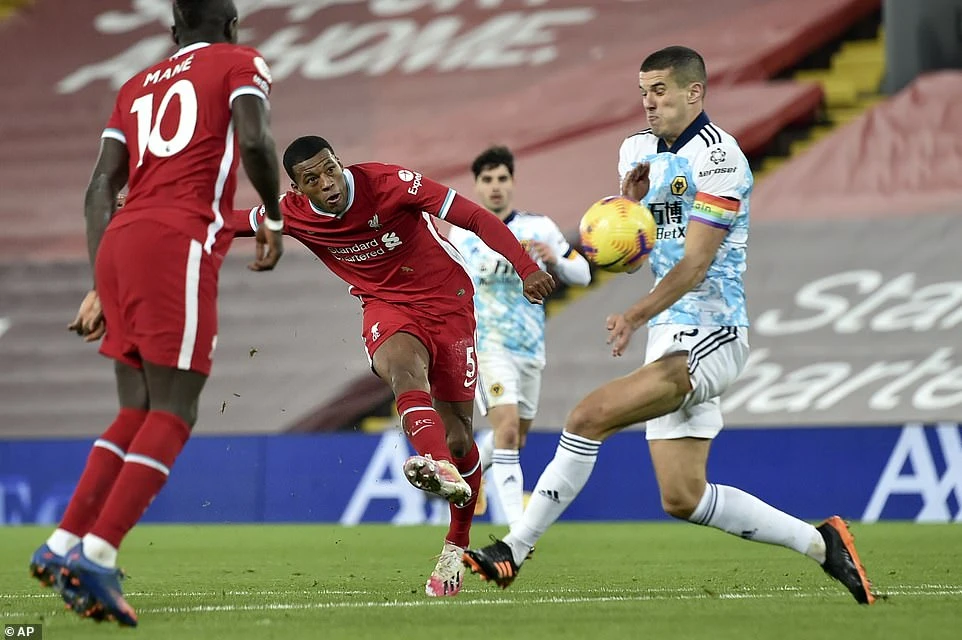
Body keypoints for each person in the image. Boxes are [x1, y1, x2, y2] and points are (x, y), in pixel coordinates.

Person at [463, 45, 875, 606]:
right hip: (668, 333)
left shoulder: (720, 160)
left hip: (713, 330)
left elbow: (696, 264)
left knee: (587, 417)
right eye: (643, 93)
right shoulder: (635, 150)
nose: (649, 103)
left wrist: (634, 314)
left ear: (694, 92)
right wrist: (627, 208)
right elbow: (634, 257)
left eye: (659, 91)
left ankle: (514, 547)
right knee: (684, 496)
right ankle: (824, 544)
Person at [28, 0, 284, 626]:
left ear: (173, 30)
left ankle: (62, 543)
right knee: (174, 409)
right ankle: (97, 554)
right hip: (178, 241)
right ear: (232, 25)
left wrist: (100, 281)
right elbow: (254, 139)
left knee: (136, 408)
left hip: (120, 242)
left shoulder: (134, 86)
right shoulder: (240, 62)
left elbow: (99, 187)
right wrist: (274, 215)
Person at [231, 135, 555, 597]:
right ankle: (438, 465)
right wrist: (146, 207)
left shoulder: (389, 183)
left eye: (330, 169)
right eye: (312, 179)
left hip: (449, 303)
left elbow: (473, 216)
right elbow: (222, 222)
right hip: (386, 307)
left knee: (460, 437)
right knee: (403, 370)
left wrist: (525, 267)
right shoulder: (292, 212)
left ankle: (456, 542)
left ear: (339, 162)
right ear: (298, 189)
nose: (327, 183)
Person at [448, 146, 590, 527]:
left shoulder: (538, 228)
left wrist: (555, 259)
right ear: (477, 186)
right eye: (487, 180)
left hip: (529, 348)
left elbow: (584, 275)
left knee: (516, 436)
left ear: (512, 182)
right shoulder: (463, 234)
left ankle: (471, 473)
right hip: (487, 347)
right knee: (508, 430)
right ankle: (516, 532)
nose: (495, 187)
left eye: (502, 178)